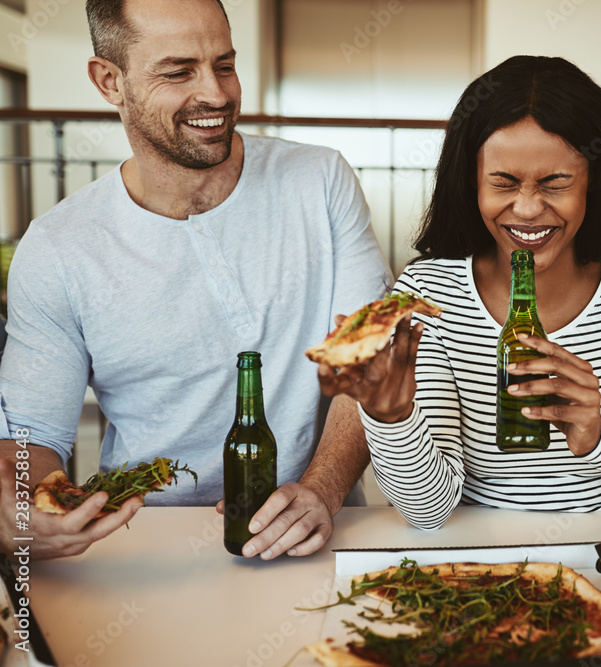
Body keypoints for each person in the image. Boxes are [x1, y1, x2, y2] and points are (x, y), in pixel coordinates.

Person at [0, 0, 392, 560]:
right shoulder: (59, 248)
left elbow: (365, 366)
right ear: (109, 80)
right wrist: (30, 508)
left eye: (225, 65)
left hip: (315, 533)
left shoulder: (320, 180)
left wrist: (322, 490)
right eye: (179, 71)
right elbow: (31, 435)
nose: (216, 94)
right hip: (144, 547)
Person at [320, 55, 601, 530]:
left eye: (556, 183)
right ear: (470, 183)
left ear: (594, 182)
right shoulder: (429, 292)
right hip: (471, 560)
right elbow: (429, 511)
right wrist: (392, 418)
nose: (529, 208)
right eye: (503, 183)